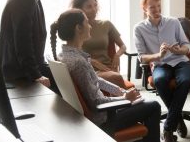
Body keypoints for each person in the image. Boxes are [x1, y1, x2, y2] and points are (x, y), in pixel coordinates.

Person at [50, 9, 161, 142]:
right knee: (154, 106)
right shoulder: (79, 62)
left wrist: (120, 91)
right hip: (104, 118)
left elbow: (96, 79)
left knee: (142, 103)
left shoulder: (64, 55)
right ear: (78, 28)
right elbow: (96, 102)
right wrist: (125, 98)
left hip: (99, 112)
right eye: (86, 23)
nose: (90, 26)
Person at [133, 0, 190, 142]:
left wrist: (180, 50)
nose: (157, 10)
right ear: (144, 9)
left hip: (180, 61)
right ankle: (177, 118)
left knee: (185, 80)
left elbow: (186, 45)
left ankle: (168, 128)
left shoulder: (173, 22)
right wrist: (158, 56)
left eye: (158, 6)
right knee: (159, 80)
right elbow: (141, 56)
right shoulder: (139, 29)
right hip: (160, 64)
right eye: (152, 7)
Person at [0, 0, 59, 94]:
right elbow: (23, 41)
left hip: (24, 71)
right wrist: (36, 75)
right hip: (19, 75)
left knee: (67, 80)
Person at [70, 0, 131, 88]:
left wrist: (117, 55)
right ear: (80, 10)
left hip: (108, 68)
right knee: (117, 78)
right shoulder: (77, 28)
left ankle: (126, 99)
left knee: (116, 77)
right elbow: (72, 53)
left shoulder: (106, 24)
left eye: (95, 5)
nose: (94, 9)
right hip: (89, 69)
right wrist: (92, 61)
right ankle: (127, 100)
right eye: (89, 7)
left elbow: (123, 46)